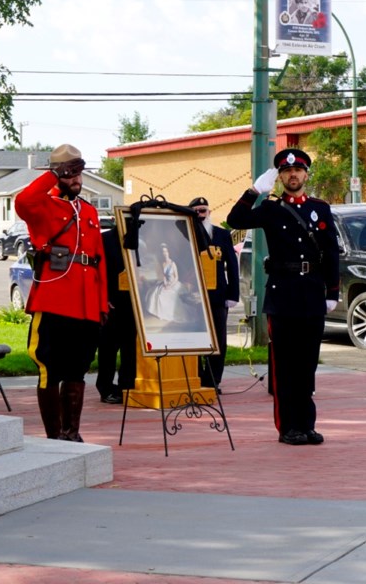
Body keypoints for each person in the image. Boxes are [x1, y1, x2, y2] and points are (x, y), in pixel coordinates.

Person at [227, 148, 340, 446]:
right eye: (287, 171)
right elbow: (235, 219)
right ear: (279, 177)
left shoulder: (320, 208)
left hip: (313, 295)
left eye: (298, 170)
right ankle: (288, 427)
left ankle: (307, 424)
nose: (293, 175)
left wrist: (332, 292)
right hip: (283, 296)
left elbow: (331, 253)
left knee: (308, 366)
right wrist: (254, 191)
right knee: (285, 367)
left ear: (306, 174)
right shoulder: (271, 208)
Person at [15, 144, 108, 442]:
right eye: (69, 174)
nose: (75, 180)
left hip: (85, 304)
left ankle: (72, 433)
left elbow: (98, 261)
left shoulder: (89, 211)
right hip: (54, 301)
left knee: (77, 371)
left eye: (78, 173)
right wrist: (53, 175)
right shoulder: (43, 205)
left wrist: (102, 302)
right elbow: (23, 201)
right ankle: (54, 437)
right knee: (49, 369)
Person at [189, 196, 240, 393]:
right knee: (194, 338)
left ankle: (212, 381)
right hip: (191, 296)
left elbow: (232, 266)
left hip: (217, 296)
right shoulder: (185, 234)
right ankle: (196, 377)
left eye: (204, 211)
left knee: (217, 340)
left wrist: (232, 294)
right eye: (197, 211)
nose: (201, 215)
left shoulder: (221, 234)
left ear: (209, 212)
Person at [96, 221, 136, 404]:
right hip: (111, 302)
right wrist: (103, 298)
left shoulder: (138, 239)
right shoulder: (105, 239)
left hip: (133, 303)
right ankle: (105, 388)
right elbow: (97, 271)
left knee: (130, 348)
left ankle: (126, 386)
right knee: (108, 349)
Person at [145, 243, 190, 323]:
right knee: (157, 293)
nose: (164, 253)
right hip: (166, 283)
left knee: (170, 296)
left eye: (166, 251)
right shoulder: (163, 263)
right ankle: (160, 313)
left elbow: (176, 277)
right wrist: (165, 283)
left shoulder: (173, 263)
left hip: (174, 283)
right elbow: (164, 275)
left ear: (168, 252)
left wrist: (171, 285)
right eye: (163, 252)